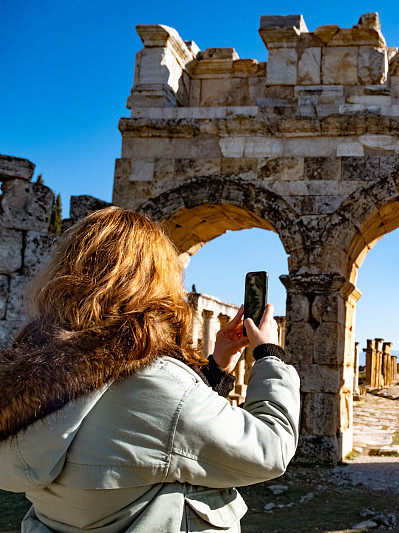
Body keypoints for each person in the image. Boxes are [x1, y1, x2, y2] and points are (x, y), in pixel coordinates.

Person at [0, 207, 300, 532]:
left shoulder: (30, 384)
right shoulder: (154, 385)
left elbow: (146, 436)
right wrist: (269, 355)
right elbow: (271, 448)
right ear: (156, 282)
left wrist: (216, 367)